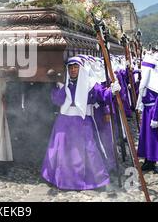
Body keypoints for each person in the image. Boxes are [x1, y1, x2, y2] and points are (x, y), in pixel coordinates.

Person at [41, 57, 121, 190]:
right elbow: (57, 100)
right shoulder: (64, 83)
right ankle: (60, 179)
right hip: (64, 120)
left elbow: (102, 95)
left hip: (82, 121)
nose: (73, 70)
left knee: (88, 150)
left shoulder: (89, 83)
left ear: (81, 68)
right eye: (70, 67)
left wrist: (112, 90)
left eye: (75, 67)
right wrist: (55, 86)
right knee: (61, 150)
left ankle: (94, 179)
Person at [136, 53, 158, 178]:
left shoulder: (155, 83)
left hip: (154, 112)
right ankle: (149, 160)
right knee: (147, 137)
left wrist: (155, 117)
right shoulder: (145, 82)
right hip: (147, 112)